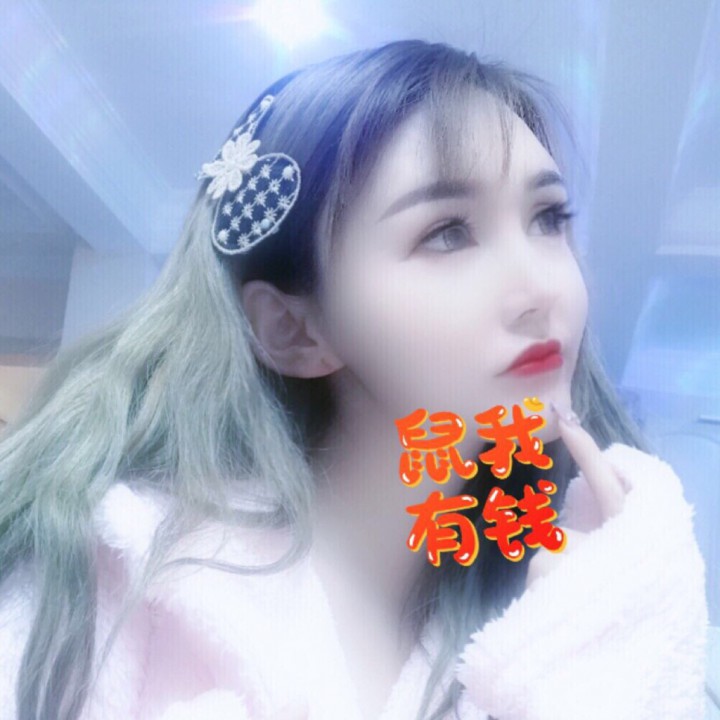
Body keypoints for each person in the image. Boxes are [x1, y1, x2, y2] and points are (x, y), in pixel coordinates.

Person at [0, 40, 714, 720]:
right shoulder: (107, 578)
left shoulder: (587, 587)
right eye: (448, 232)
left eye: (548, 218)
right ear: (295, 329)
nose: (544, 289)